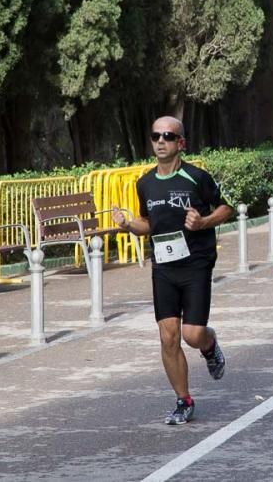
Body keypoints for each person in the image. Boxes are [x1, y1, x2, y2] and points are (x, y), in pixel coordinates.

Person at [111, 116, 231, 425]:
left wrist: (203, 222)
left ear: (181, 143)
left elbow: (226, 207)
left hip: (196, 264)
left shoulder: (197, 178)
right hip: (163, 266)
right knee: (168, 337)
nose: (160, 141)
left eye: (168, 136)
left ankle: (209, 343)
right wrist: (127, 225)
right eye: (155, 136)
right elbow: (147, 223)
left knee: (191, 335)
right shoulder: (145, 183)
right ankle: (184, 400)